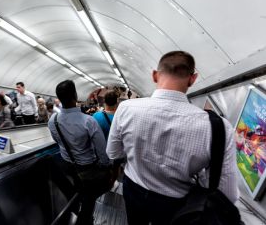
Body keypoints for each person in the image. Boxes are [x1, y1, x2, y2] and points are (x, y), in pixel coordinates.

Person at [106, 51, 238, 225]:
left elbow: (113, 153)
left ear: (154, 75)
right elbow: (227, 193)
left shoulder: (126, 109)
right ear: (193, 79)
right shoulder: (217, 127)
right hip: (178, 205)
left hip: (134, 190)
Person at [48, 80, 110, 225]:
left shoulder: (53, 120)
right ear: (75, 96)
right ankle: (85, 219)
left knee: (77, 192)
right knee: (89, 200)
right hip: (88, 168)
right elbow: (102, 151)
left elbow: (58, 142)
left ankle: (80, 214)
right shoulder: (88, 121)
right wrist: (105, 166)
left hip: (67, 165)